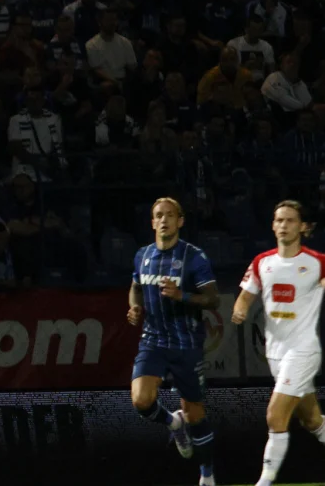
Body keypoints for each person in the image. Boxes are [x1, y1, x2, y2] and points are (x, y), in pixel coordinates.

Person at [127, 197, 220, 486]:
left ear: (180, 221)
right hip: (153, 340)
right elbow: (135, 288)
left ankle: (207, 475)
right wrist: (134, 307)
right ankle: (172, 423)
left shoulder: (194, 257)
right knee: (141, 400)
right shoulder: (142, 255)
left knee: (194, 412)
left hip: (186, 342)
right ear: (152, 222)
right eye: (158, 215)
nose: (164, 220)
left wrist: (184, 296)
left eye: (170, 215)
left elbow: (213, 299)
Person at [232, 200, 325, 486]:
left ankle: (265, 482)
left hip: (304, 350)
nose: (283, 226)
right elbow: (246, 295)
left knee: (275, 416)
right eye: (279, 220)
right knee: (312, 421)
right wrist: (240, 307)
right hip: (275, 353)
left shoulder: (317, 262)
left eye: (290, 221)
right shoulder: (262, 262)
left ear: (303, 227)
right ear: (272, 225)